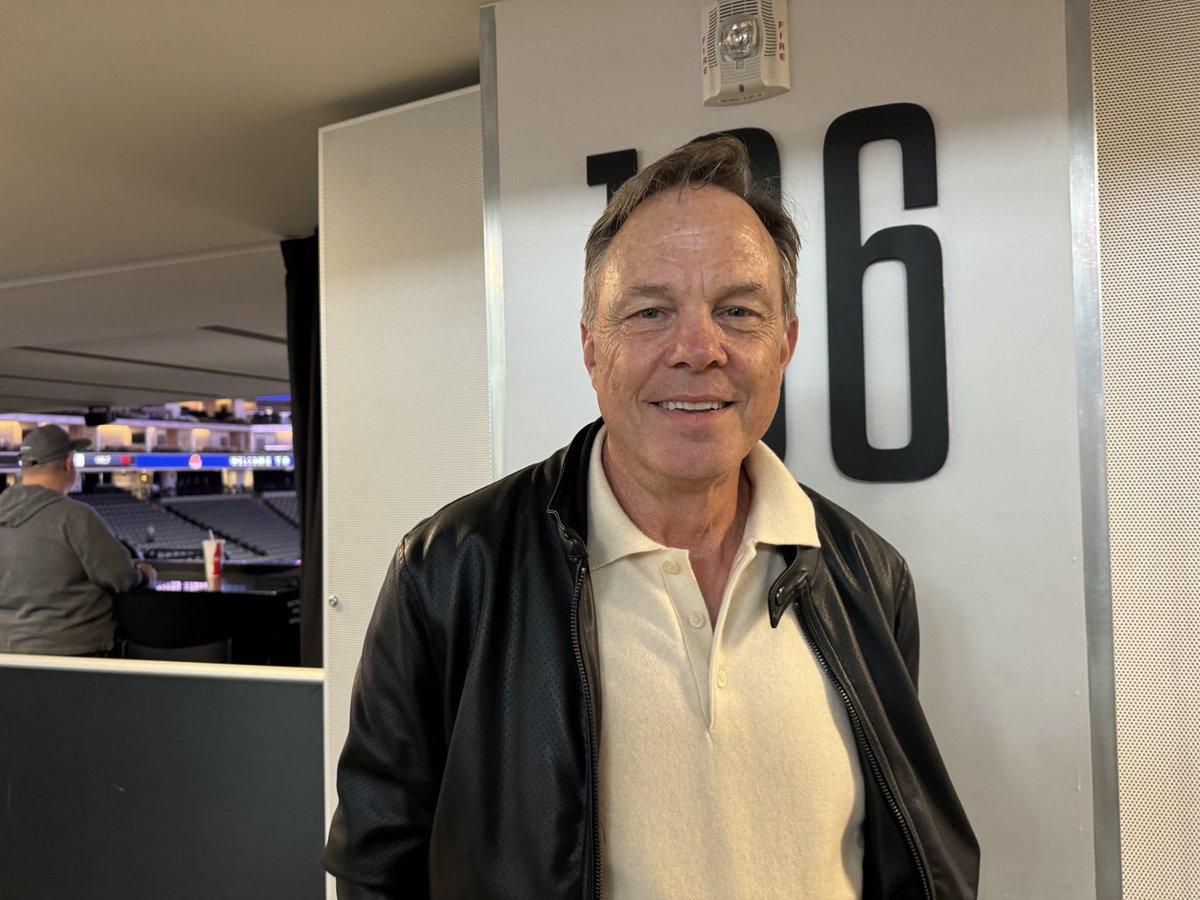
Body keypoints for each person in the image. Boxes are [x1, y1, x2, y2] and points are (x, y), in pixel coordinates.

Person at [324, 137, 979, 898]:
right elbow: (378, 871)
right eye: (649, 312)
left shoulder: (869, 580)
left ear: (785, 344)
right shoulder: (449, 572)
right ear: (590, 347)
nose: (698, 349)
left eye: (738, 311)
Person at [0, 424, 156, 656]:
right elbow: (122, 578)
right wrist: (145, 575)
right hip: (74, 653)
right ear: (68, 464)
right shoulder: (76, 516)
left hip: (9, 654)